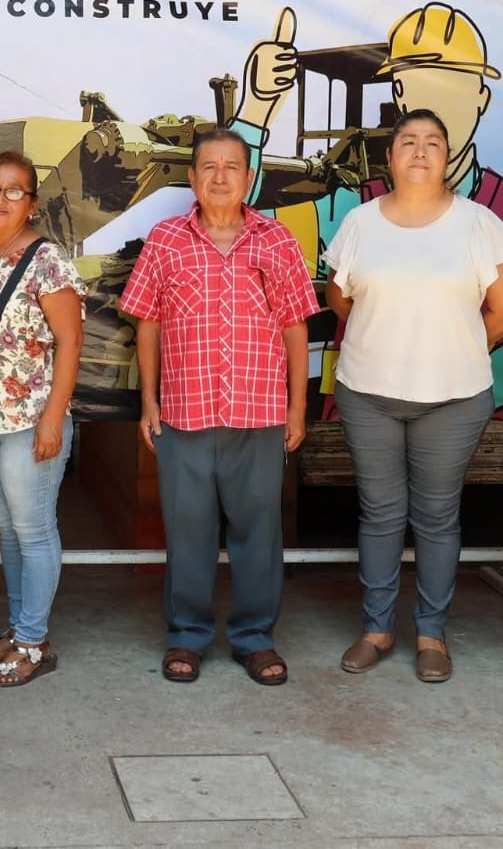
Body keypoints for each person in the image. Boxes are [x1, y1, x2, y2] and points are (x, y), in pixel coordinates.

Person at [230, 3, 503, 417]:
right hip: (371, 409)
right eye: (419, 85)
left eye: (452, 85)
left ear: (482, 98)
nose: (435, 104)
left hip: (465, 424)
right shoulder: (351, 209)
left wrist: (447, 377)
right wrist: (255, 111)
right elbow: (236, 225)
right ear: (399, 95)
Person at [323, 108, 503, 683]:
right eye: (407, 141)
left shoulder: (477, 223)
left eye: (432, 142)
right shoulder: (360, 223)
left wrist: (459, 341)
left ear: (447, 157)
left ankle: (432, 634)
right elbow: (341, 300)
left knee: (437, 517)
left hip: (455, 397)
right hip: (369, 393)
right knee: (381, 515)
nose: (419, 150)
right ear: (388, 158)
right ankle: (376, 629)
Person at [118, 129, 317, 686]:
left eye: (233, 167)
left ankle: (255, 638)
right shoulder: (165, 240)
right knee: (188, 530)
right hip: (184, 412)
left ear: (249, 178)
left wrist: (297, 410)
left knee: (259, 530)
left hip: (259, 413)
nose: (221, 176)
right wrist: (149, 400)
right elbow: (147, 321)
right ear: (192, 178)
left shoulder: (276, 241)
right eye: (209, 167)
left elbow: (296, 329)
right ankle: (186, 636)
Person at [0, 152, 84, 687]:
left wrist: (54, 418)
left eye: (14, 190)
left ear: (32, 202)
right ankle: (20, 628)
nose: (0, 199)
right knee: (7, 532)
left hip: (30, 421)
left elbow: (71, 341)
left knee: (33, 531)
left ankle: (34, 642)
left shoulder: (47, 260)